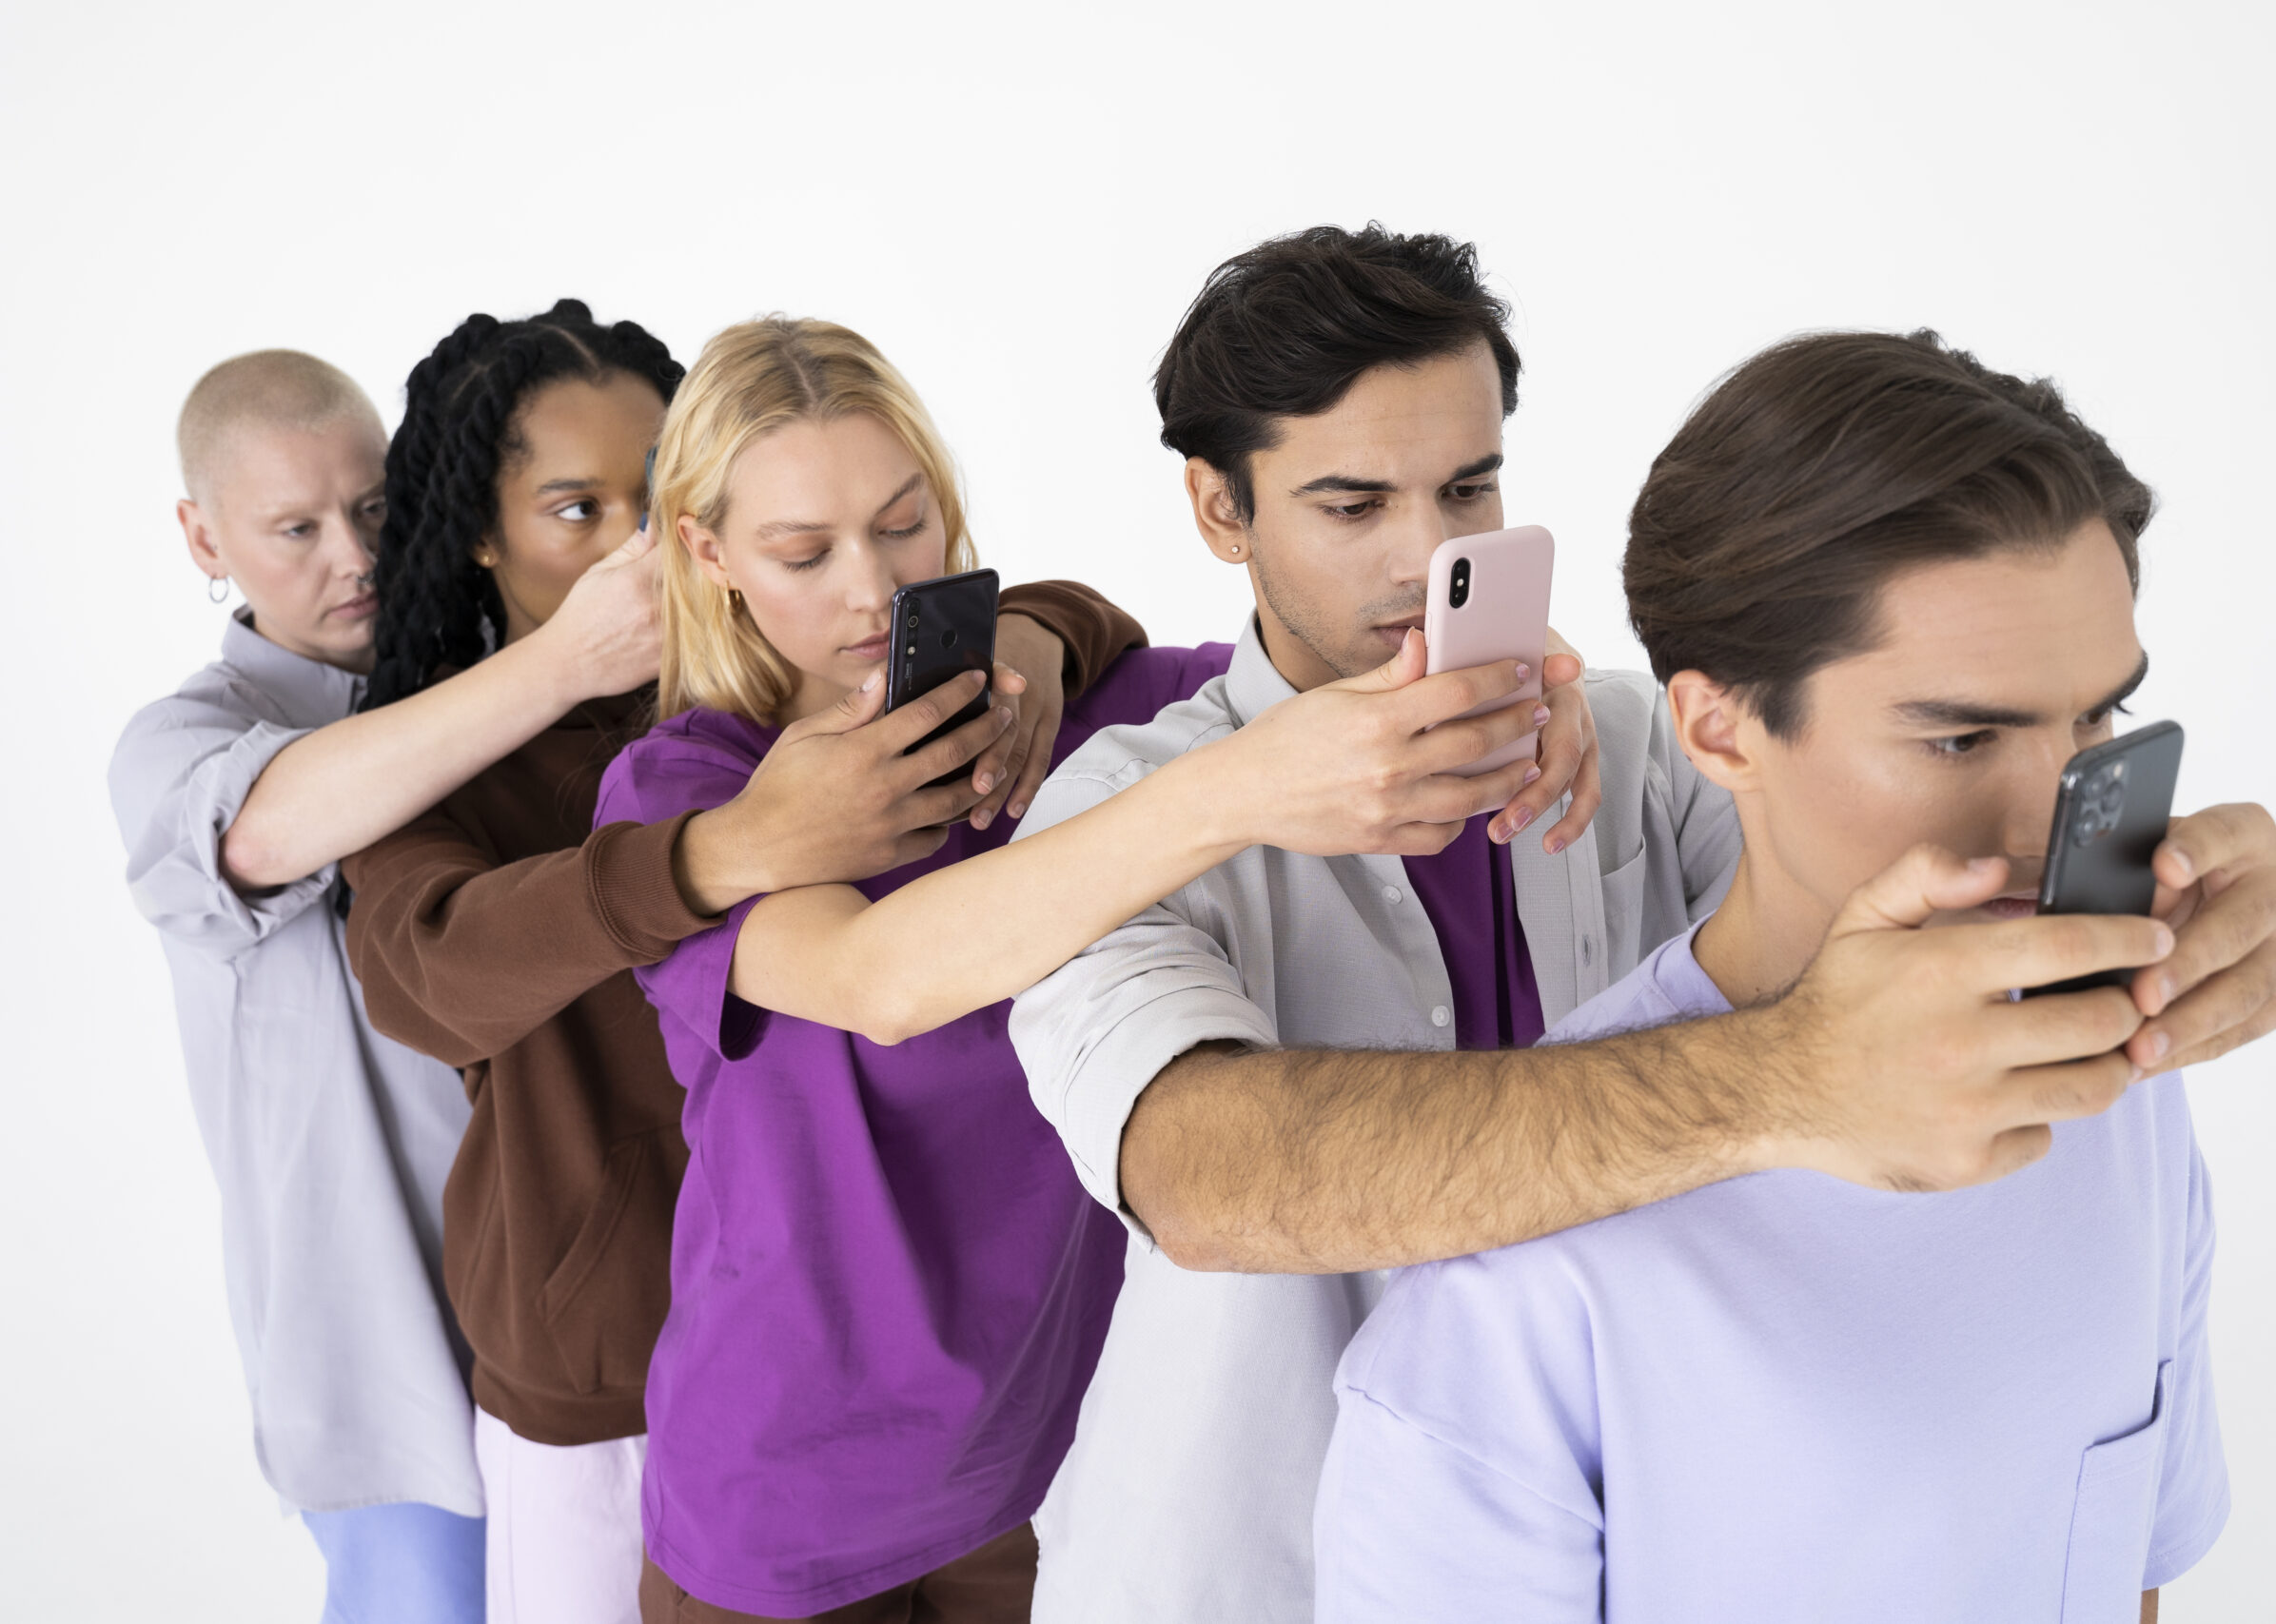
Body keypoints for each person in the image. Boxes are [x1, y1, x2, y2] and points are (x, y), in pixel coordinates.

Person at [1007, 225, 2276, 1622]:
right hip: (1244, 1564)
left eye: (1470, 486)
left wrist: (2159, 920)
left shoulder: (1628, 743)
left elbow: (1844, 868)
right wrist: (1795, 1076)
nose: (1432, 555)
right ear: (1222, 510)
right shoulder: (1123, 817)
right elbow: (1205, 1178)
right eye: (1352, 504)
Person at [596, 315, 1588, 1623]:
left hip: (1045, 1473)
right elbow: (881, 981)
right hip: (790, 1488)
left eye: (904, 524)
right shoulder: (687, 796)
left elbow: (1322, 684)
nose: (872, 588)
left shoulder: (1089, 721)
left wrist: (1535, 687)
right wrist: (1229, 791)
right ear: (707, 552)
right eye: (803, 551)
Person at [1315, 329, 2233, 1622]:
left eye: (2096, 718)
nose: (2059, 816)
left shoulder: (2118, 1090)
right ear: (1720, 730)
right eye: (1963, 737)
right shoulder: (1512, 1307)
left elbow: (2124, 1570)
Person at [336, 302, 1148, 1624]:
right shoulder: (502, 766)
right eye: (578, 511)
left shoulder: (839, 688)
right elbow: (426, 975)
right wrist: (717, 851)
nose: (633, 548)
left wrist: (1038, 628)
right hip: (612, 1370)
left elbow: (1092, 638)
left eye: (652, 497)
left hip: (901, 1383)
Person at [108, 347, 670, 1623]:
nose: (353, 557)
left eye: (374, 510)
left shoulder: (517, 693)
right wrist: (560, 661)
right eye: (294, 529)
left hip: (582, 1319)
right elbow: (269, 829)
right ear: (204, 538)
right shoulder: (179, 743)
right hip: (385, 1362)